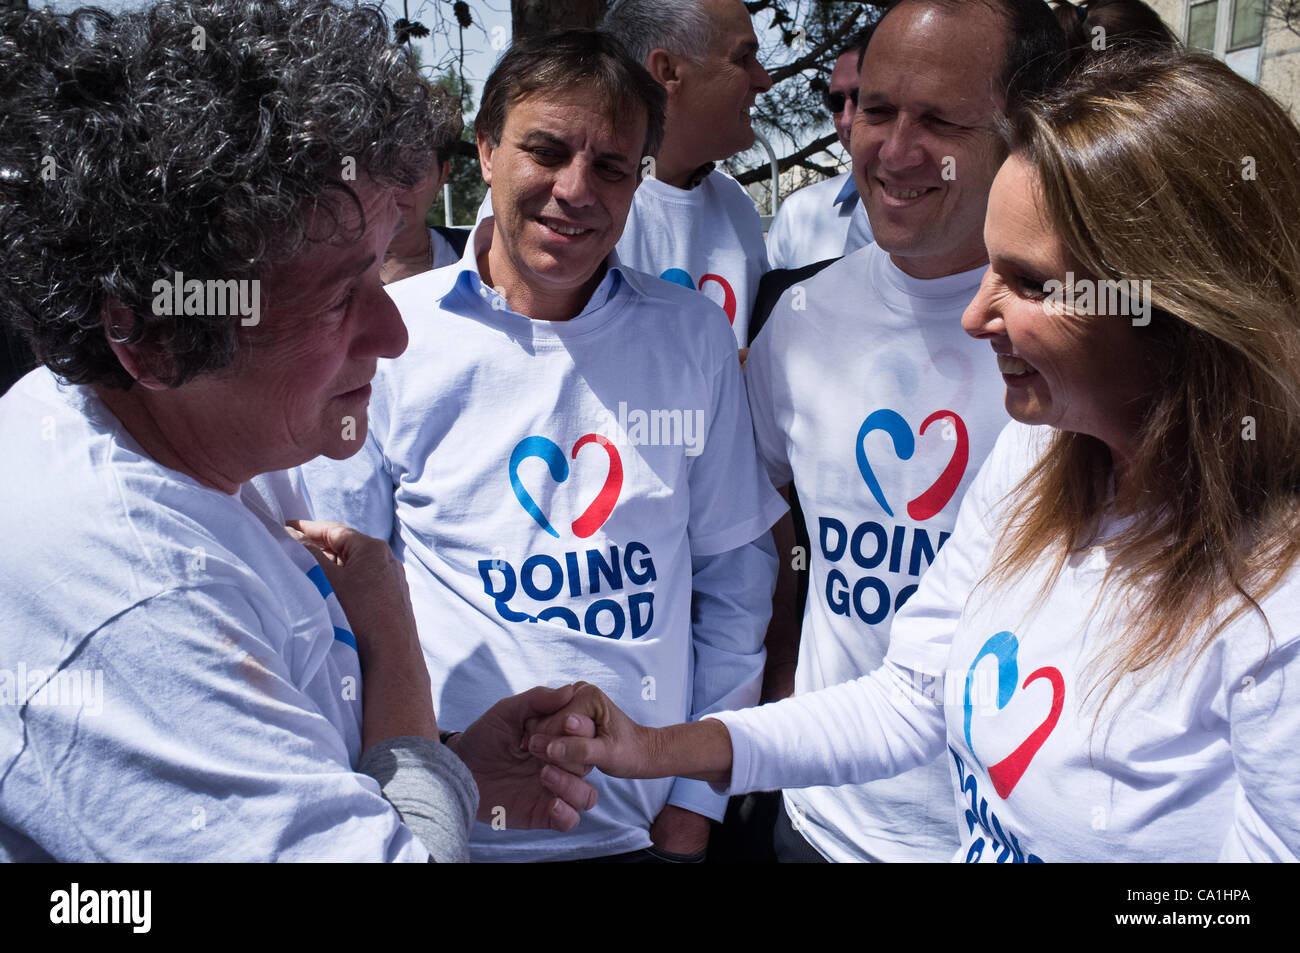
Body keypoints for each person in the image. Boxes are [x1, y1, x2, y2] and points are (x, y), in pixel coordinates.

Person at [530, 47, 1300, 863]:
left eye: (1028, 282)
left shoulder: (1276, 598)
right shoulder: (1041, 460)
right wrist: (654, 749)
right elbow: (908, 698)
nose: (975, 315)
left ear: (1178, 305)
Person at [0, 0, 597, 862]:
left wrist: (452, 771)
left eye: (384, 273)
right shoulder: (142, 609)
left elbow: (293, 760)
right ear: (158, 334)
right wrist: (394, 647)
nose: (393, 336)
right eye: (337, 295)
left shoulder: (205, 438)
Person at [300, 29, 786, 863]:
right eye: (546, 151)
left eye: (609, 167)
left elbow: (735, 580)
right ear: (486, 150)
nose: (574, 190)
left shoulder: (694, 339)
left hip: (643, 837)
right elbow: (337, 586)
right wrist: (397, 794)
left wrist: (693, 803)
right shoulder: (392, 335)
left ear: (638, 179)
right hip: (445, 831)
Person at [740, 0, 1065, 863]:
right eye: (877, 110)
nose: (894, 149)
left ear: (1020, 131)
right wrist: (780, 678)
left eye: (940, 120)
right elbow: (759, 523)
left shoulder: (1091, 336)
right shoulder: (800, 319)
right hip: (821, 826)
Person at [602, 0, 772, 347]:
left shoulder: (735, 203)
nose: (764, 80)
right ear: (667, 71)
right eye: (742, 58)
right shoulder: (566, 204)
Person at [764, 28, 875, 271]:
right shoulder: (797, 214)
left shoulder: (963, 212)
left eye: (862, 97)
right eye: (835, 102)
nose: (846, 120)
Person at [382, 83, 471, 284]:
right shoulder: (321, 269)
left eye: (416, 167)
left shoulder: (482, 258)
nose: (400, 185)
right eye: (384, 166)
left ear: (442, 176)